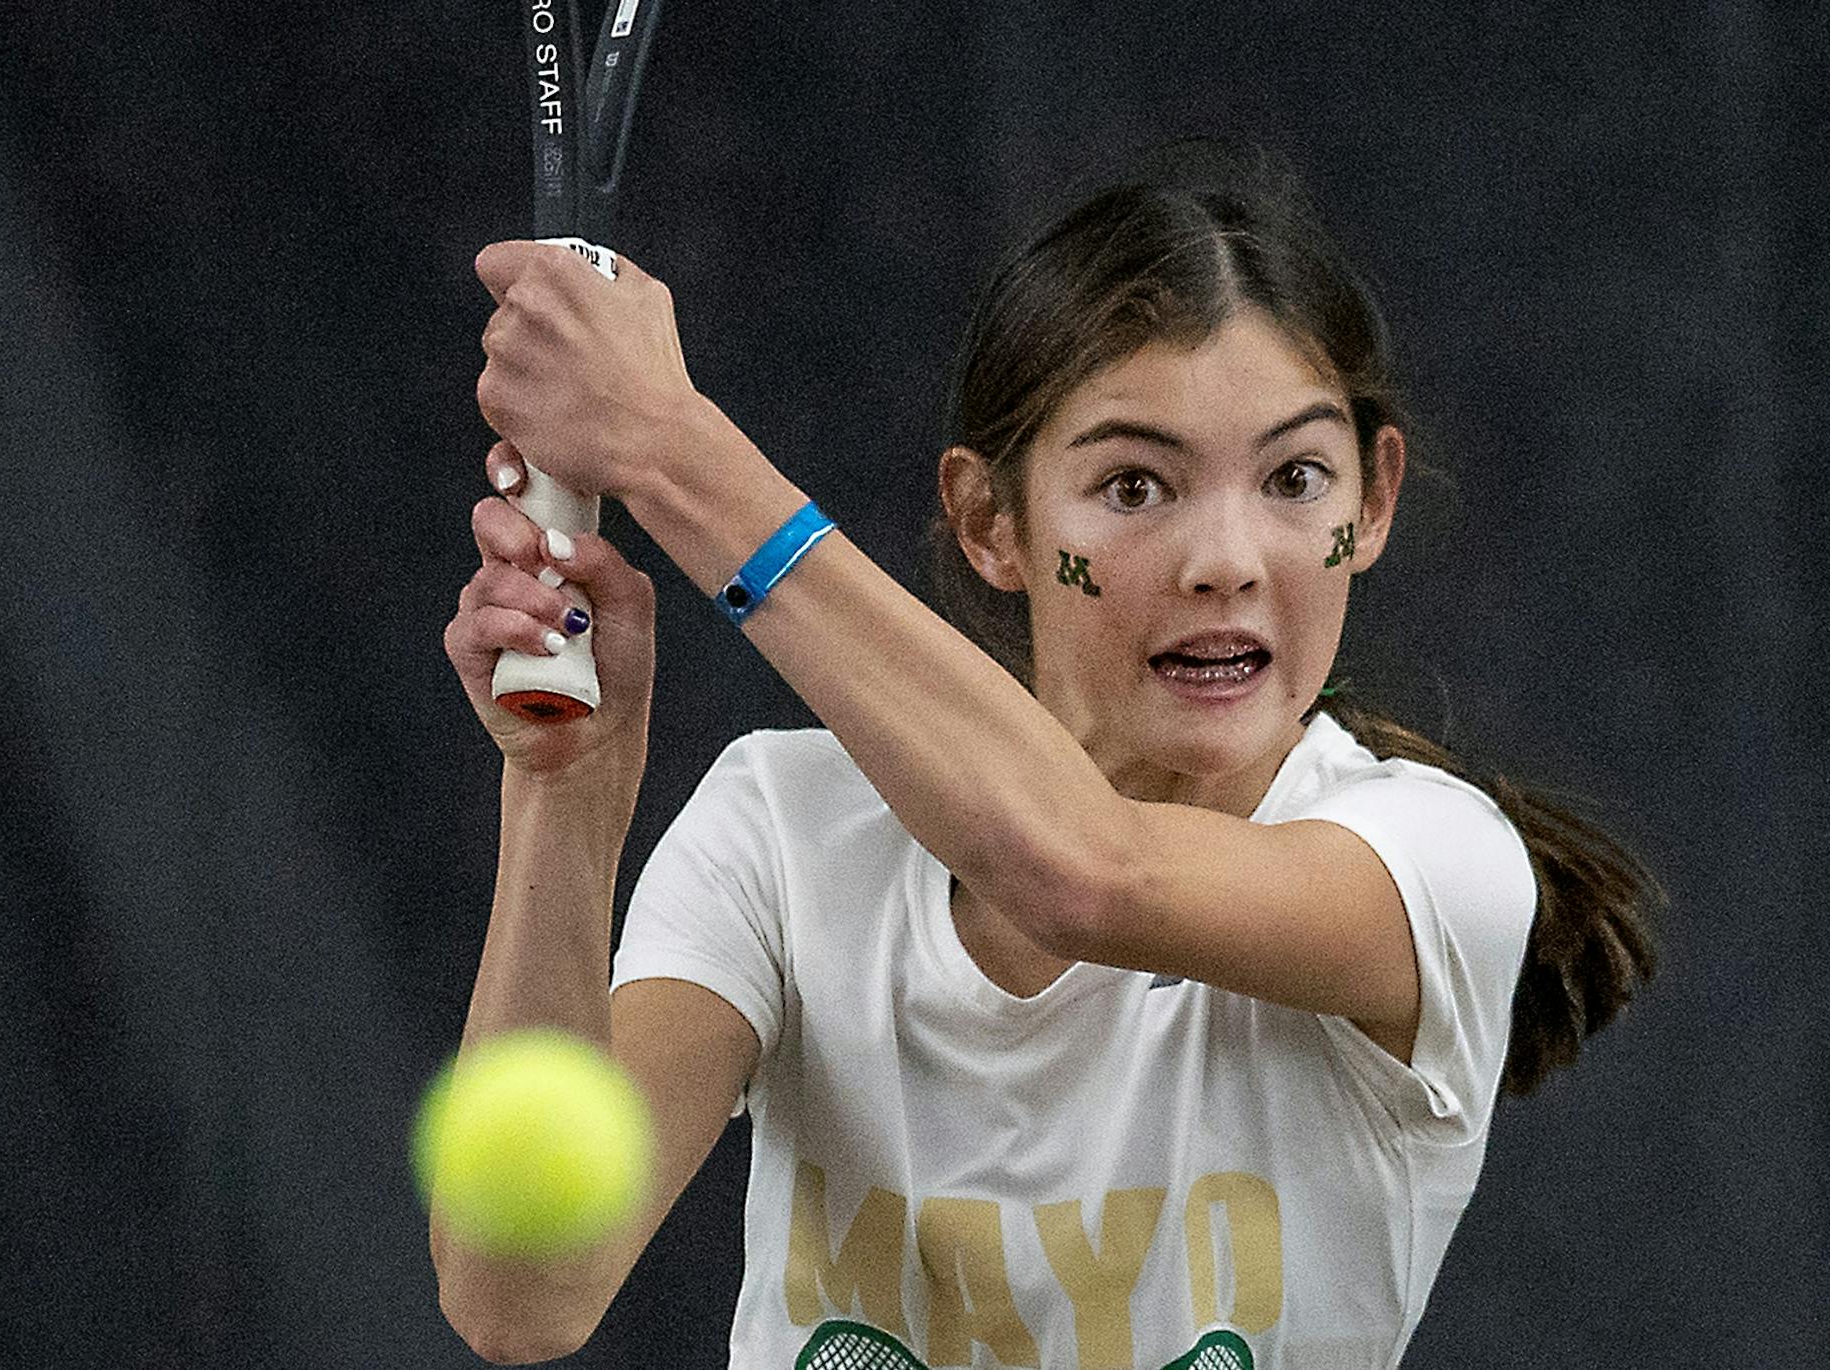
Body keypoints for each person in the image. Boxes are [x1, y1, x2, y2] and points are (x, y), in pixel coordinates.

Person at [433, 139, 1661, 1369]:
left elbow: (1085, 874)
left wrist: (668, 446)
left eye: (1295, 477)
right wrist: (565, 791)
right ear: (989, 520)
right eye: (1135, 486)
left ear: (1372, 501)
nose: (1226, 559)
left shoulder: (1435, 865)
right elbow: (522, 1297)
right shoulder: (782, 831)